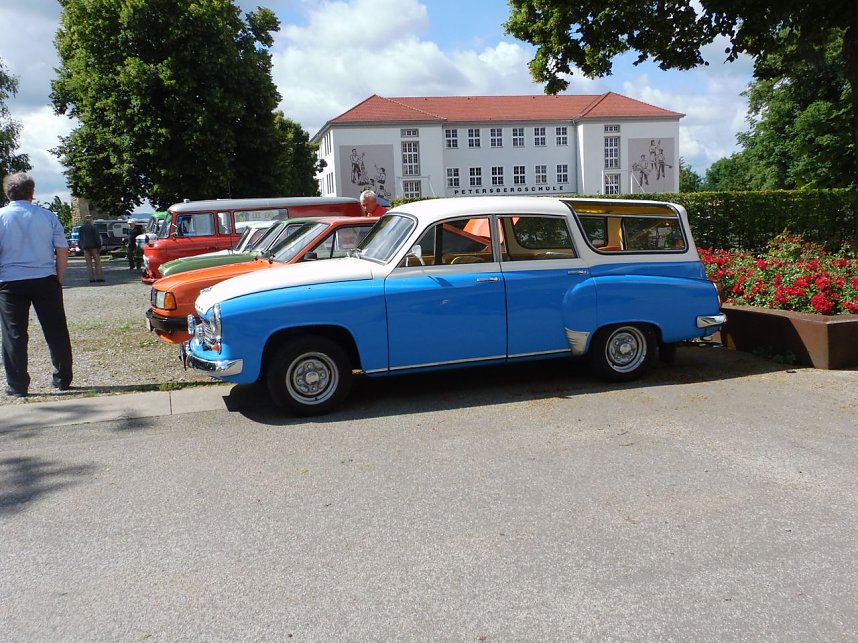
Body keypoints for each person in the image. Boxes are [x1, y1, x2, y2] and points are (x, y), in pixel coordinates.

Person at [0, 172, 74, 397]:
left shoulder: (1, 216)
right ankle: (62, 379)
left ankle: (17, 384)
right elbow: (62, 250)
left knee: (14, 333)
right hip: (45, 278)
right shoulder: (48, 216)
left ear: (8, 192)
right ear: (32, 192)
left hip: (10, 281)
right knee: (56, 329)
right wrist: (57, 278)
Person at [78, 214, 104, 282]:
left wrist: (81, 247)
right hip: (94, 247)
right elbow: (97, 238)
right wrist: (99, 246)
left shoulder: (81, 228)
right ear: (91, 219)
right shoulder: (93, 228)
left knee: (89, 264)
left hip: (85, 247)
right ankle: (99, 278)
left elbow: (80, 239)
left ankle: (91, 278)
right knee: (97, 263)